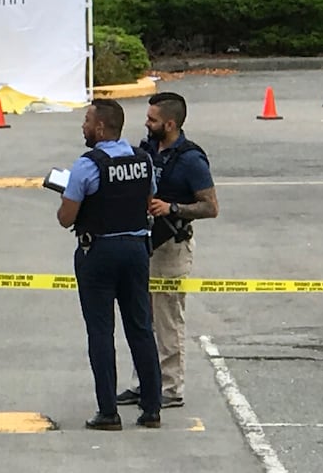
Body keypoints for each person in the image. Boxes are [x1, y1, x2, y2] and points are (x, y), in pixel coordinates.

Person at [56, 98, 163, 430]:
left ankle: (108, 412)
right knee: (141, 328)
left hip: (98, 252)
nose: (84, 126)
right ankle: (152, 409)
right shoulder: (143, 160)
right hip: (136, 249)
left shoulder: (89, 165)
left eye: (87, 121)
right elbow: (148, 200)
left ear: (101, 127)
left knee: (101, 332)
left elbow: (66, 217)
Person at [117, 92, 218, 410]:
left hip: (172, 247)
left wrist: (172, 207)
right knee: (142, 317)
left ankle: (171, 388)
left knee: (168, 319)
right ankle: (143, 382)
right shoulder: (147, 149)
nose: (146, 124)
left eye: (152, 120)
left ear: (170, 124)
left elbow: (210, 207)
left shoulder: (191, 159)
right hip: (144, 243)